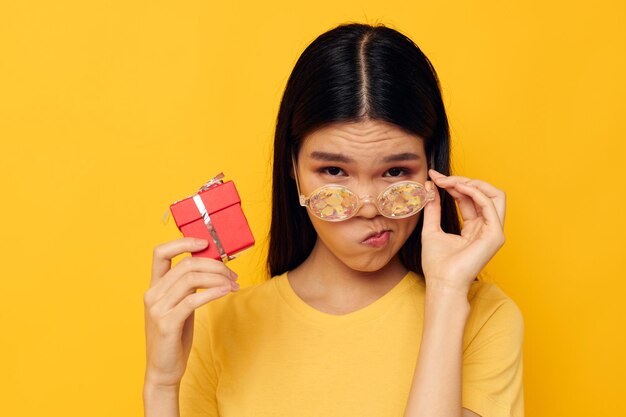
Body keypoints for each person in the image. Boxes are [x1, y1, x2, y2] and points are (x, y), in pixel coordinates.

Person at [143, 23, 524, 417]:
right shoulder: (216, 323)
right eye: (334, 172)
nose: (368, 207)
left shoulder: (483, 316)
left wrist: (446, 294)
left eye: (395, 173)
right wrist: (161, 384)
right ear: (293, 166)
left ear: (432, 169)